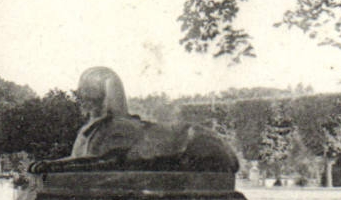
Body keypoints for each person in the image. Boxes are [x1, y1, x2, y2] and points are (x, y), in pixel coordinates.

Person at [34, 66, 239, 174]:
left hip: (191, 142)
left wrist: (56, 166)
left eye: (88, 96)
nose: (84, 101)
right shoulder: (90, 129)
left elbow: (104, 162)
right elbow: (85, 159)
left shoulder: (118, 128)